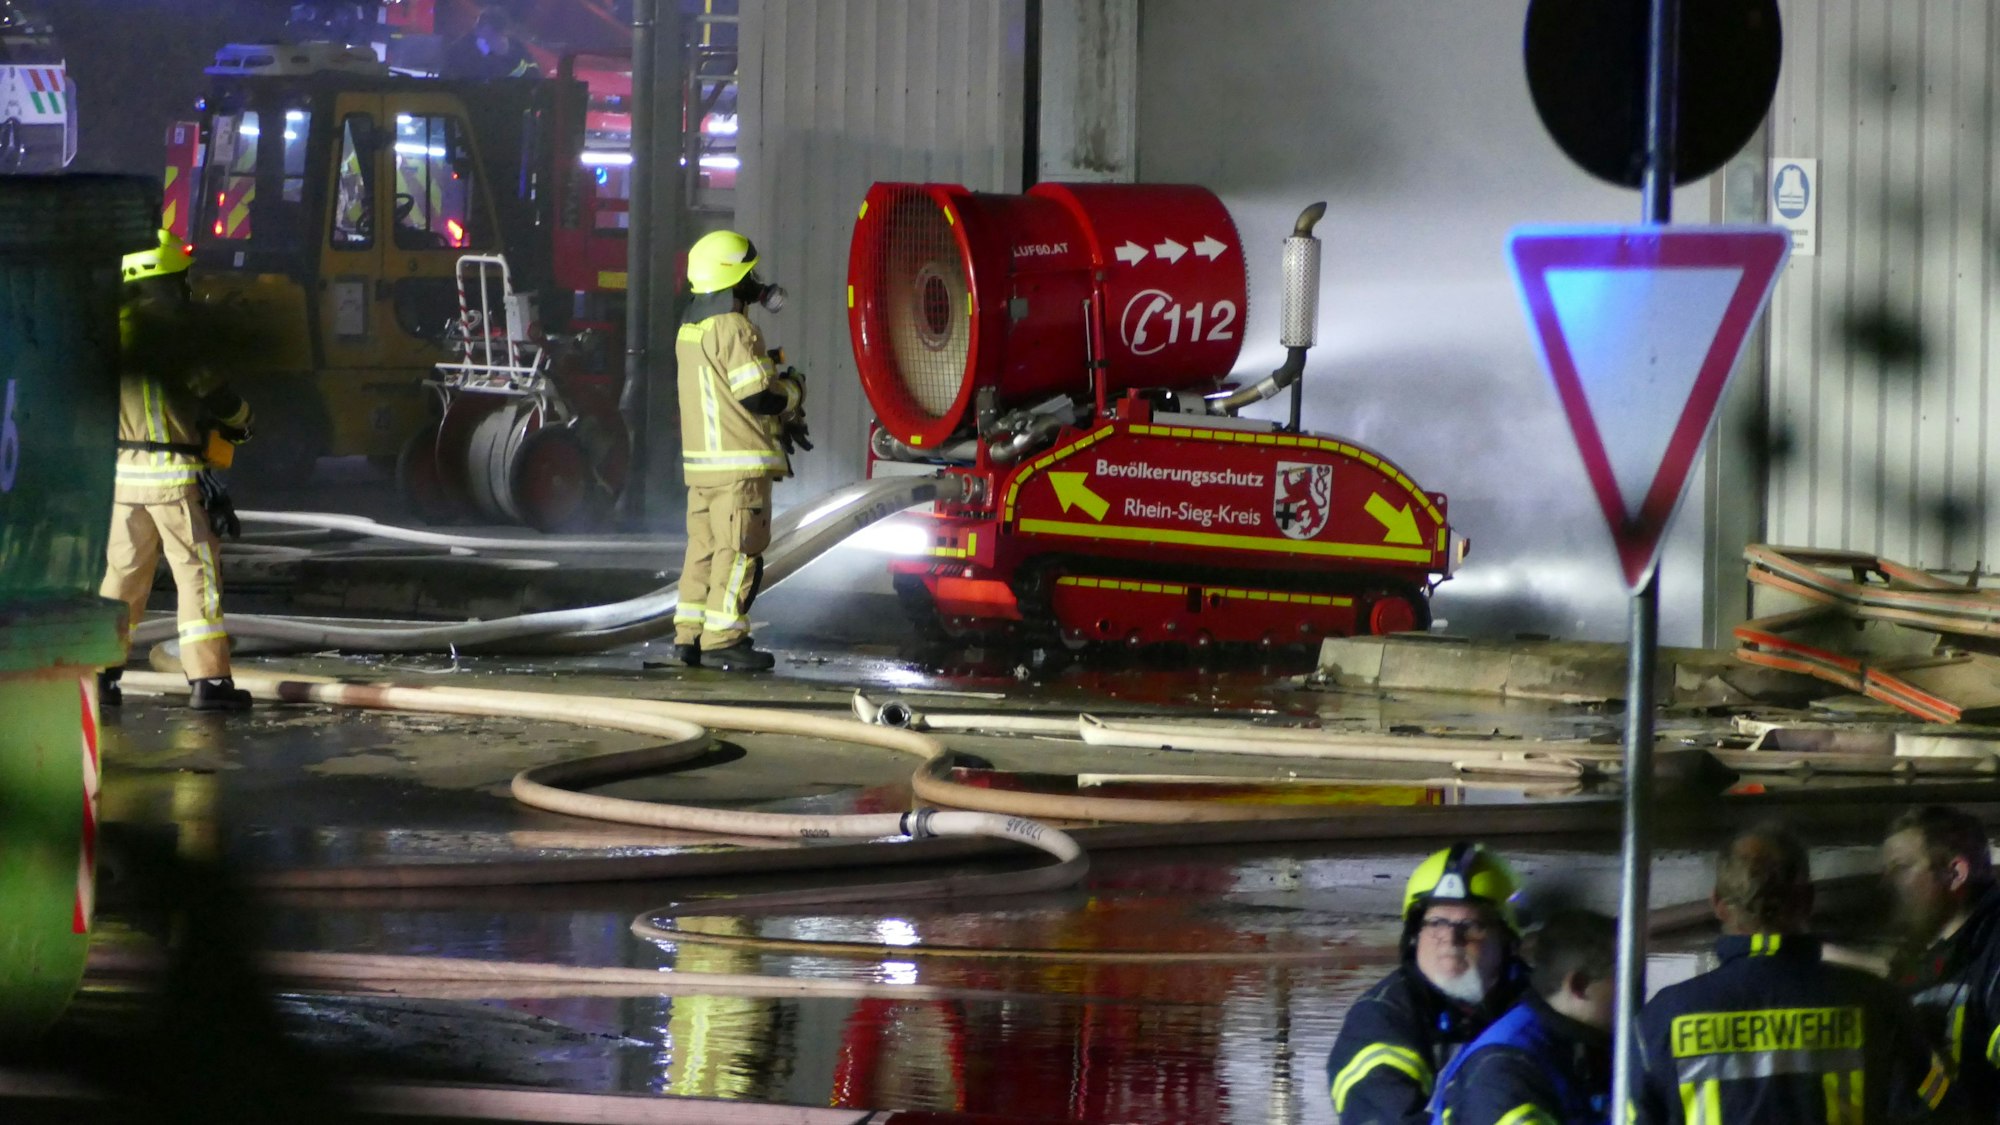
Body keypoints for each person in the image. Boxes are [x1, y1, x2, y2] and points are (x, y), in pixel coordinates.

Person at [1633, 824, 1955, 1124]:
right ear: (1807, 900)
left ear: (1718, 903)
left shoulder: (1660, 1019)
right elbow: (1939, 1108)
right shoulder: (1879, 1003)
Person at [98, 230, 254, 712]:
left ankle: (100, 674)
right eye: (179, 279)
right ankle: (210, 683)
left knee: (121, 581)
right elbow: (219, 397)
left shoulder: (107, 332)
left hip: (123, 479)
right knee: (197, 578)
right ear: (163, 281)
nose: (185, 289)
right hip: (175, 481)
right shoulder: (168, 337)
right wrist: (242, 421)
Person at [671, 229, 801, 673]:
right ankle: (724, 639)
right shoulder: (737, 329)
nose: (757, 283)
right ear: (736, 279)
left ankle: (688, 638)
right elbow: (756, 396)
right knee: (740, 550)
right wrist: (793, 393)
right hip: (739, 468)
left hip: (702, 469)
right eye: (750, 274)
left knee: (702, 552)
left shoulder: (690, 332)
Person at [1327, 843, 1530, 1124]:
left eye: (1472, 926)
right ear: (1414, 935)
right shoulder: (1381, 1018)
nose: (1450, 939)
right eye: (1436, 923)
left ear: (1507, 940)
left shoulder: (1543, 1003)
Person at [1430, 910, 1615, 1125]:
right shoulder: (1504, 1071)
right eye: (1631, 981)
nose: (1640, 993)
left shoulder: (1571, 1044)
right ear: (1580, 985)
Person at [1884, 805, 2000, 1113]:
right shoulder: (1930, 956)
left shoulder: (1992, 952)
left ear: (1955, 873)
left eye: (1901, 868)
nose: (1888, 884)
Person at [440, 8, 540, 80]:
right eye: (478, 24)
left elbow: (535, 75)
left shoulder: (516, 46)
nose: (475, 27)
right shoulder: (464, 47)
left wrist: (502, 54)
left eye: (481, 24)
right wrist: (487, 55)